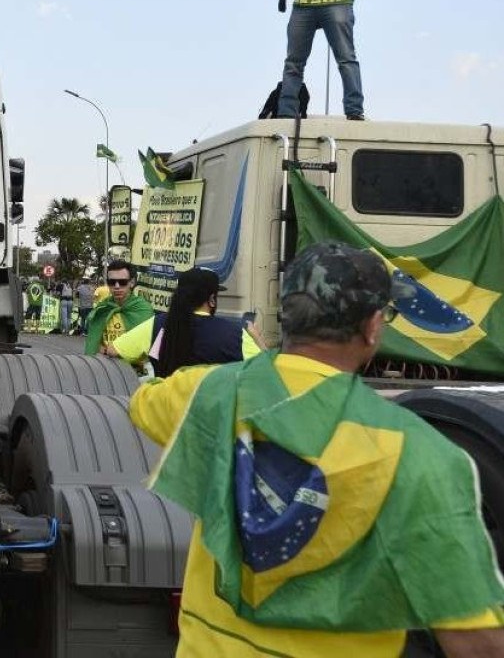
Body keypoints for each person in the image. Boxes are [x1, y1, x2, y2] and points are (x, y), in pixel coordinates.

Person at [129, 243, 504, 656]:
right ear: (373, 327)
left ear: (287, 316)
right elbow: (474, 640)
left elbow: (145, 402)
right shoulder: (419, 453)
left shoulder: (208, 393)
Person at [107, 266, 263, 376]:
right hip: (209, 419)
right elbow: (271, 373)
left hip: (165, 413)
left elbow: (114, 351)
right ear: (212, 299)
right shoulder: (236, 334)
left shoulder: (158, 324)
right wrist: (257, 339)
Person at [84, 260, 154, 355]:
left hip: (133, 368)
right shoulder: (103, 308)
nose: (117, 286)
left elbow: (147, 342)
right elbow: (93, 338)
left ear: (132, 283)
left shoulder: (143, 310)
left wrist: (119, 350)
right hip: (104, 366)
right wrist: (99, 348)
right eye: (112, 282)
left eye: (122, 282)